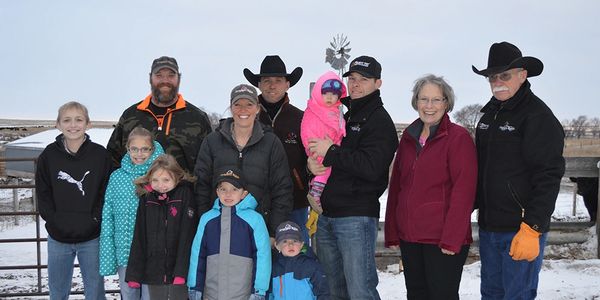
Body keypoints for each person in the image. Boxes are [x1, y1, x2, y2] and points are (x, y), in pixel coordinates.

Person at [472, 41, 565, 299]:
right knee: (491, 294)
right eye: (492, 77)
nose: (497, 81)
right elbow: (482, 170)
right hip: (490, 226)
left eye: (505, 75)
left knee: (517, 295)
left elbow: (548, 175)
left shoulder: (538, 116)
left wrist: (532, 227)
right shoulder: (489, 116)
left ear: (522, 75)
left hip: (520, 228)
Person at [307, 56, 398, 299]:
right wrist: (312, 164)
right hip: (327, 215)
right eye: (353, 79)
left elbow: (372, 167)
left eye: (364, 80)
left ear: (378, 83)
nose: (356, 84)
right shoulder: (341, 113)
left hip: (355, 218)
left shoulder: (380, 121)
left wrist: (332, 152)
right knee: (333, 290)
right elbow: (325, 154)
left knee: (360, 290)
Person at [384, 74, 477, 299]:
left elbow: (464, 191)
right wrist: (392, 231)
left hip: (442, 239)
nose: (429, 106)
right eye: (424, 99)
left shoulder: (458, 138)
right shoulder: (408, 137)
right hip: (411, 237)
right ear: (416, 102)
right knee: (416, 294)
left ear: (447, 103)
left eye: (436, 100)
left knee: (441, 295)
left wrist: (452, 238)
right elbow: (397, 186)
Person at [194, 83, 293, 243]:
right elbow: (201, 186)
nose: (243, 110)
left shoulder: (271, 142)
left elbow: (282, 189)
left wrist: (274, 232)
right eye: (237, 104)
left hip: (259, 232)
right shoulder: (212, 141)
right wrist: (206, 223)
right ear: (231, 107)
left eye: (249, 104)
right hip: (219, 231)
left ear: (257, 108)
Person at [35, 101, 112, 300]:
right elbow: (43, 192)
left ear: (88, 123)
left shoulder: (100, 155)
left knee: (94, 290)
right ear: (58, 124)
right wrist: (53, 220)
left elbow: (106, 190)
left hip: (92, 236)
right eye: (67, 120)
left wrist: (95, 218)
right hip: (58, 236)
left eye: (79, 119)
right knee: (58, 290)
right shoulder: (48, 156)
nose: (73, 125)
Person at [244, 55, 311, 244]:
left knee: (296, 255)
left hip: (294, 202)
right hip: (253, 201)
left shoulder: (301, 119)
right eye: (267, 81)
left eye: (278, 81)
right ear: (259, 84)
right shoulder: (247, 117)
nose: (272, 86)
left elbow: (312, 159)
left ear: (287, 84)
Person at [107, 56, 212, 174]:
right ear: (150, 78)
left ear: (179, 79)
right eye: (159, 75)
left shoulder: (197, 118)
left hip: (184, 190)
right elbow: (112, 160)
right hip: (135, 191)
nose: (165, 80)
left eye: (171, 75)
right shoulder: (130, 116)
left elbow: (209, 164)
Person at [99, 127, 164, 299]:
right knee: (128, 294)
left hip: (152, 251)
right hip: (125, 250)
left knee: (151, 295)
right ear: (127, 149)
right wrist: (108, 250)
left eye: (145, 149)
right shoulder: (116, 177)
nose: (139, 154)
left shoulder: (161, 176)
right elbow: (108, 215)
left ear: (153, 149)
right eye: (134, 149)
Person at [188, 168, 271, 300]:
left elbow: (262, 255)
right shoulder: (207, 219)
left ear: (244, 193)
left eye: (234, 189)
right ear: (217, 192)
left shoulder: (255, 219)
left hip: (243, 294)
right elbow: (198, 254)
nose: (228, 194)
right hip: (211, 293)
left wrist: (259, 290)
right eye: (223, 189)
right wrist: (194, 286)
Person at [125, 154, 197, 300]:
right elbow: (139, 237)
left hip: (179, 268)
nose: (160, 185)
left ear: (176, 178)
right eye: (155, 180)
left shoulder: (185, 195)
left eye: (166, 180)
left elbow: (187, 236)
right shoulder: (147, 199)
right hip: (155, 269)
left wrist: (181, 272)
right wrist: (134, 274)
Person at [300, 71, 347, 236]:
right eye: (325, 93)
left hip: (330, 148)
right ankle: (316, 193)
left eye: (334, 94)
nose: (329, 97)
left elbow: (339, 131)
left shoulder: (337, 112)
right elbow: (307, 128)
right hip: (317, 147)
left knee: (327, 169)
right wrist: (311, 147)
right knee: (324, 169)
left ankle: (316, 192)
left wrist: (335, 146)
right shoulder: (313, 110)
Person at [269, 221, 329, 299]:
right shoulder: (274, 269)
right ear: (277, 246)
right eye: (285, 241)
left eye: (295, 241)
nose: (290, 245)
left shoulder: (311, 266)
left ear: (301, 244)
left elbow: (323, 292)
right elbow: (270, 294)